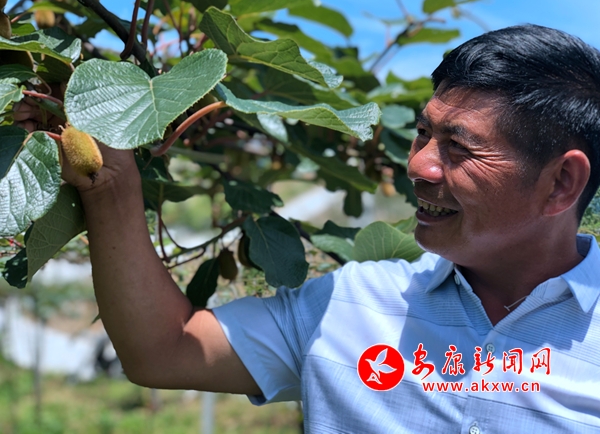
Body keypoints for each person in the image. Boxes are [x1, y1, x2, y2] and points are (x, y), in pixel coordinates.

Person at [62, 24, 600, 433]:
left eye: (458, 147)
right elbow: (165, 350)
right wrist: (109, 184)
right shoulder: (349, 304)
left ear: (561, 183)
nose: (418, 165)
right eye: (422, 133)